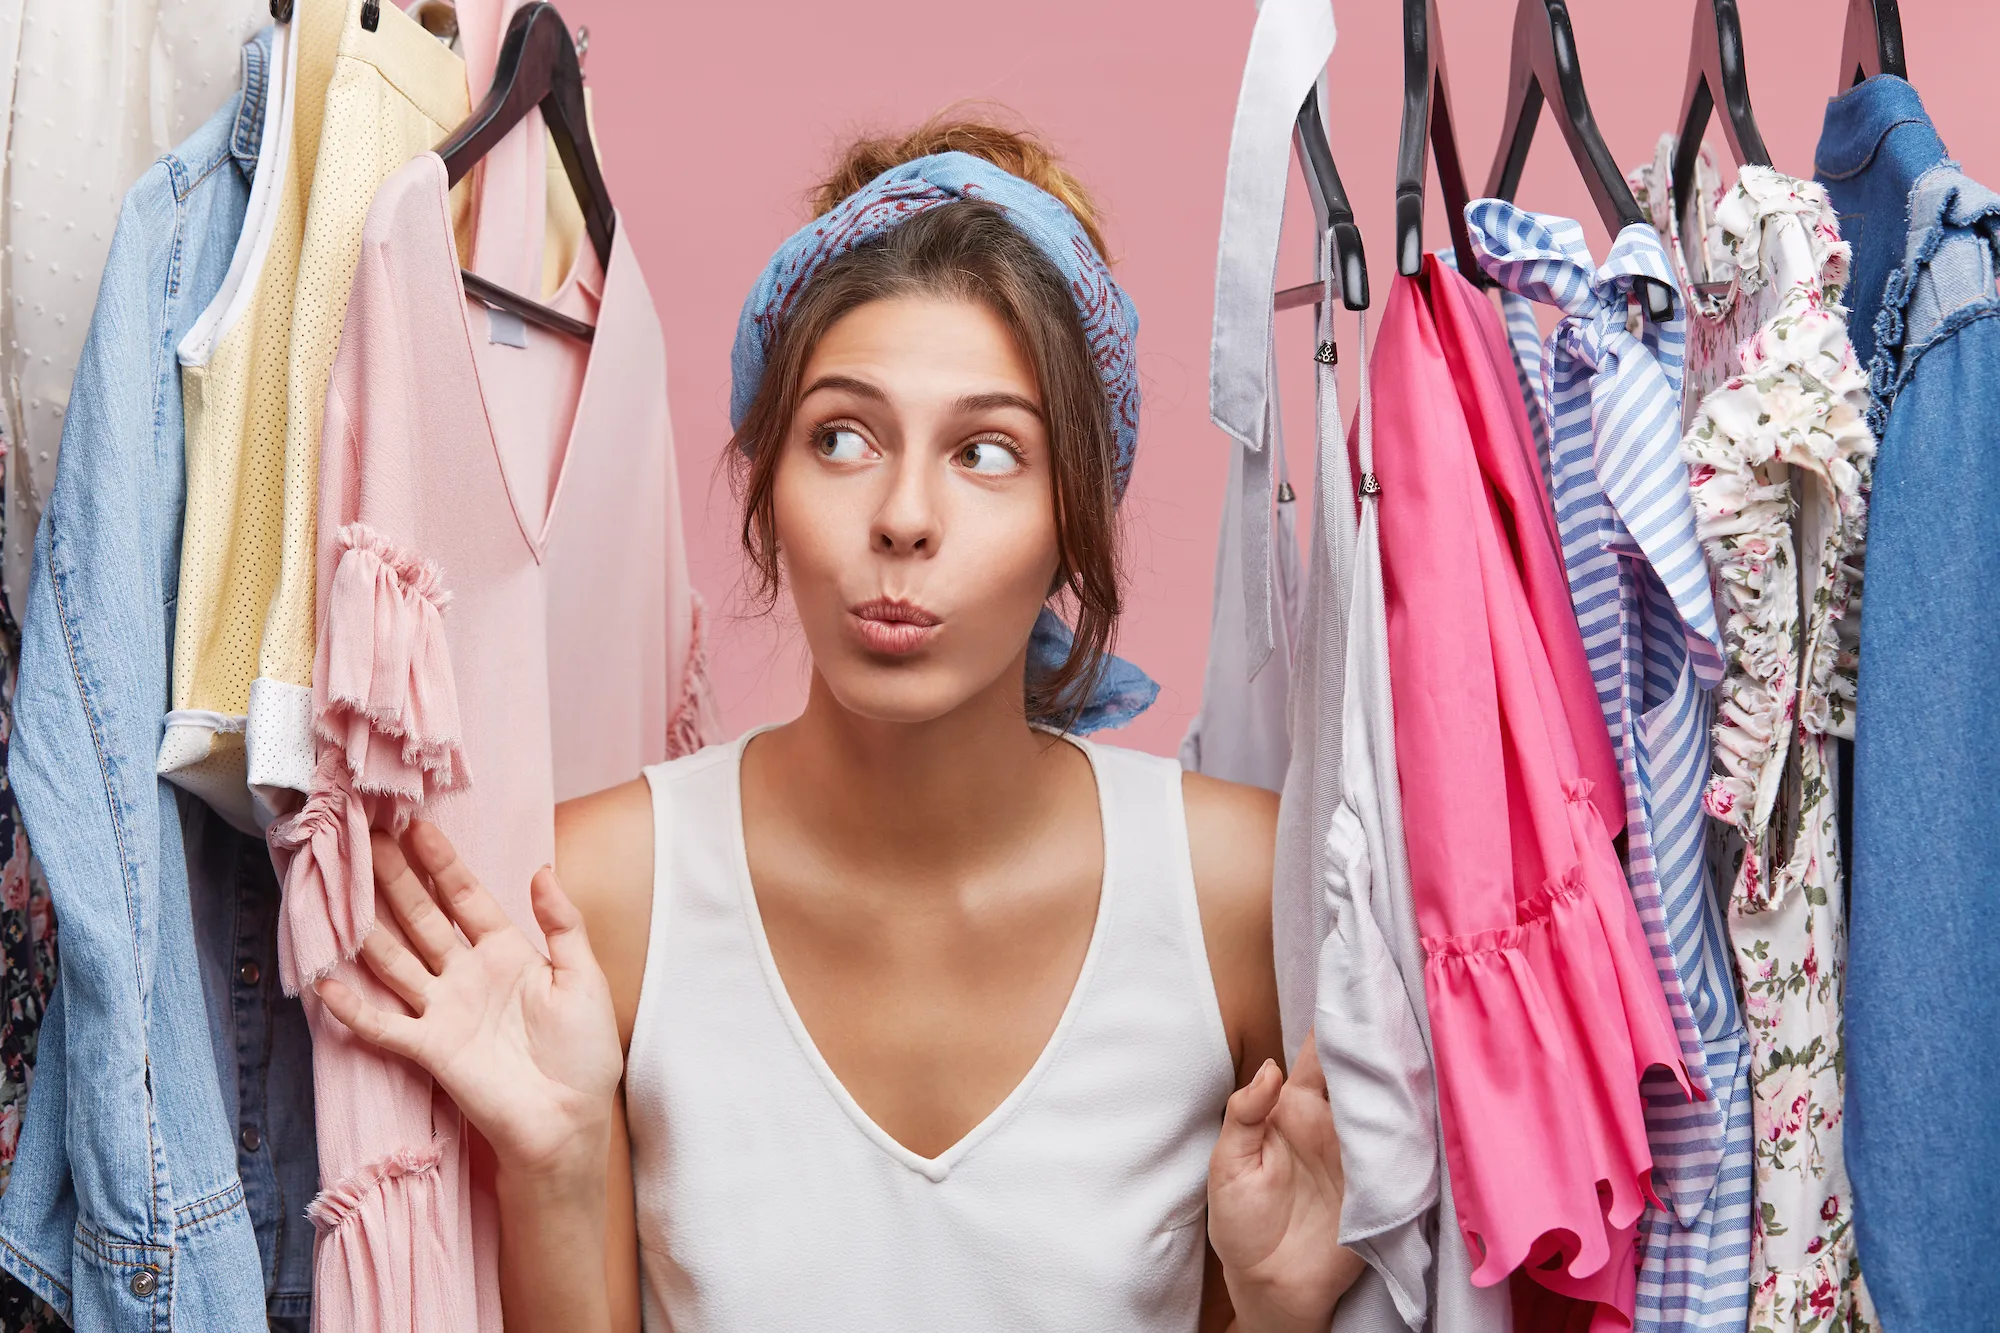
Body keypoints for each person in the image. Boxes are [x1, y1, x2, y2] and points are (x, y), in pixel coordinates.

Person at [314, 117, 1366, 1332]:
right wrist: (553, 1162)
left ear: (1073, 518)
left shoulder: (1236, 890)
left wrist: (1285, 1309)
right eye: (843, 437)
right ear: (768, 487)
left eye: (984, 451)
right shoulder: (597, 892)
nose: (903, 516)